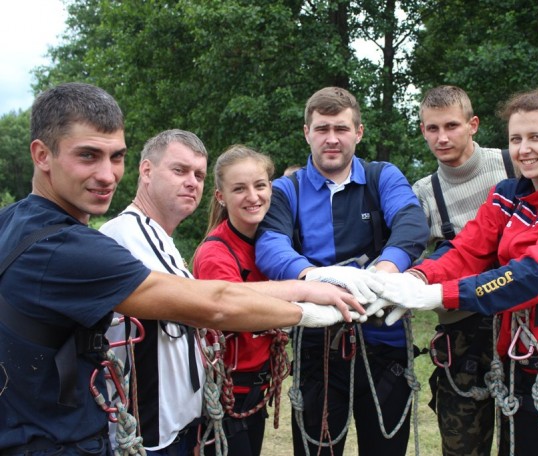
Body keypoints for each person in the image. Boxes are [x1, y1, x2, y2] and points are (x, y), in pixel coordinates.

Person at [0, 82, 374, 456]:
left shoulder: (18, 222)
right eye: (87, 156)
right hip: (78, 440)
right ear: (42, 155)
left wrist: (304, 288)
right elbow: (215, 304)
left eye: (116, 157)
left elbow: (206, 293)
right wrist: (311, 308)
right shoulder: (80, 246)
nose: (107, 174)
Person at [373, 87, 538, 455]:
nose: (524, 149)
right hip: (521, 373)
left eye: (536, 137)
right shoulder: (507, 196)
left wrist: (436, 294)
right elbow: (467, 250)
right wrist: (415, 277)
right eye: (516, 139)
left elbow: (534, 274)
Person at [254, 86, 429, 455]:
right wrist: (315, 278)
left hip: (385, 340)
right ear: (307, 133)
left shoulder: (382, 176)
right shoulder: (288, 189)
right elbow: (270, 244)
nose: (331, 139)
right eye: (321, 129)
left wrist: (383, 272)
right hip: (319, 344)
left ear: (358, 132)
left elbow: (411, 222)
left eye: (341, 128)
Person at [411, 85, 514, 456]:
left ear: (473, 125)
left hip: (520, 327)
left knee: (528, 440)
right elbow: (405, 250)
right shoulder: (423, 192)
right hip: (461, 336)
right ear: (422, 130)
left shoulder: (513, 164)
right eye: (432, 128)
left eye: (451, 126)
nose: (442, 137)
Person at [99, 129, 210, 455]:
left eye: (199, 175)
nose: (192, 182)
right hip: (149, 436)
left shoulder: (161, 240)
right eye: (180, 170)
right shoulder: (129, 233)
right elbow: (210, 304)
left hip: (178, 429)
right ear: (146, 171)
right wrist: (305, 301)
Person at [192, 145, 285, 455]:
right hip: (227, 392)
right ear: (221, 196)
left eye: (260, 185)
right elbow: (235, 311)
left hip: (255, 388)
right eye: (239, 189)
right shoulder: (216, 253)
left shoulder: (273, 243)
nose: (253, 196)